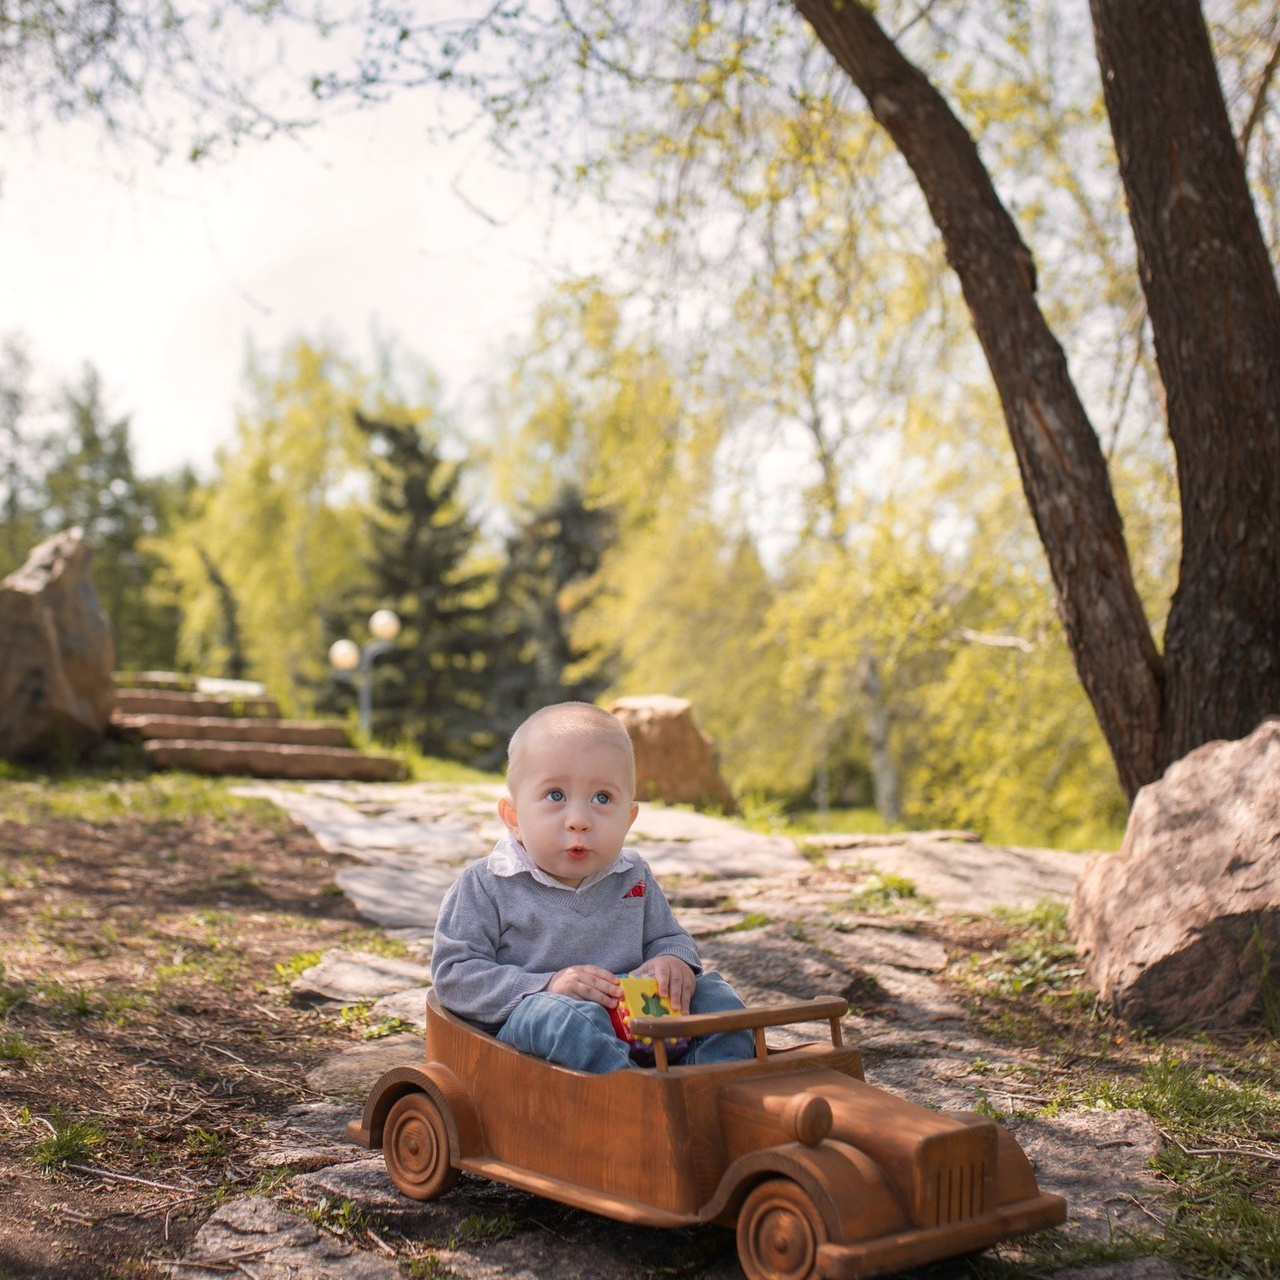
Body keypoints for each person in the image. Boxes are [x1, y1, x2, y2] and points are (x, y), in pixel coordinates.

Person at [430, 701, 754, 1072]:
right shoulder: (487, 885)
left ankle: (718, 1082)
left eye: (602, 798)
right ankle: (632, 1099)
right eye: (555, 795)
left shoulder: (632, 875)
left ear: (629, 818)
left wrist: (672, 961)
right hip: (542, 1028)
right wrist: (547, 985)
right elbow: (455, 976)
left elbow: (668, 937)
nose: (579, 820)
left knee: (714, 993)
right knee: (563, 1017)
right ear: (514, 818)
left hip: (640, 1019)